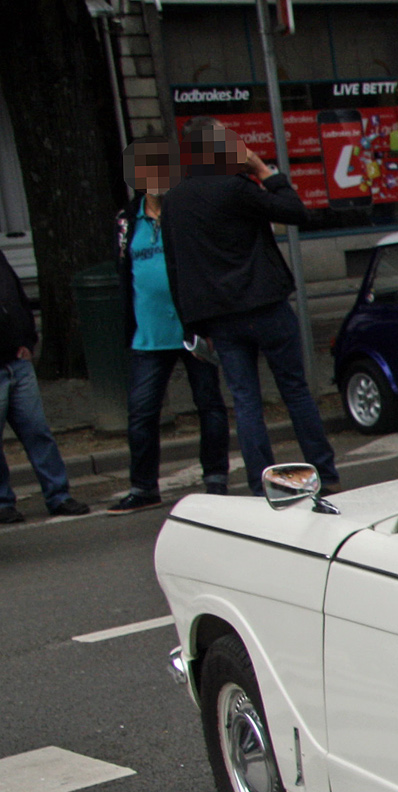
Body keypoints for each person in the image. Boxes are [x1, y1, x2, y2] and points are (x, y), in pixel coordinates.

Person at [163, 117, 339, 497]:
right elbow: (294, 211)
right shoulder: (235, 186)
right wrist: (262, 169)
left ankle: (261, 482)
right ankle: (323, 470)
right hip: (264, 302)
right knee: (294, 390)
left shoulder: (175, 198)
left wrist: (192, 325)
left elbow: (175, 266)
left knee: (245, 401)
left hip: (220, 314)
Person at [108, 137, 231, 513]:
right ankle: (143, 486)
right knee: (142, 412)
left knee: (209, 404)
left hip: (191, 328)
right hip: (148, 334)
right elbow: (125, 271)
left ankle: (216, 478)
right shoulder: (127, 221)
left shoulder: (186, 212)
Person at [0, 252, 88, 524]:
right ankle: (3, 502)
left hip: (17, 361)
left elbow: (16, 296)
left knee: (37, 431)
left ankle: (58, 495)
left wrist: (27, 338)